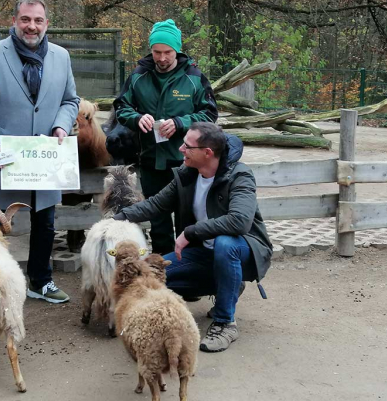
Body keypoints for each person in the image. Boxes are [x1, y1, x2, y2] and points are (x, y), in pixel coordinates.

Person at [113, 122, 273, 352]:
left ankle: (225, 322)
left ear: (207, 152)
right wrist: (115, 220)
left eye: (187, 146)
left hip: (243, 251)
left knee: (225, 244)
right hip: (203, 254)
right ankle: (227, 285)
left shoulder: (239, 175)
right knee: (149, 274)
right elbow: (155, 205)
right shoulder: (187, 175)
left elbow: (240, 221)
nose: (180, 149)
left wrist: (191, 232)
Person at [0, 0, 80, 304]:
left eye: (38, 20)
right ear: (15, 21)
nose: (32, 26)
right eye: (26, 20)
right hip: (6, 157)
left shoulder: (61, 57)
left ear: (47, 24)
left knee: (45, 221)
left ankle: (40, 281)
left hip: (43, 157)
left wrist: (61, 125)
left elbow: (71, 100)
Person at [113, 19, 218, 255]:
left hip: (186, 164)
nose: (162, 58)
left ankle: (188, 274)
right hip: (150, 162)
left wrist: (181, 123)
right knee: (158, 223)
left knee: (187, 221)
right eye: (157, 51)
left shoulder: (194, 78)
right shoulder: (139, 76)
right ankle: (163, 273)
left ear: (177, 50)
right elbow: (121, 107)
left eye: (168, 52)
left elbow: (210, 113)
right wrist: (137, 118)